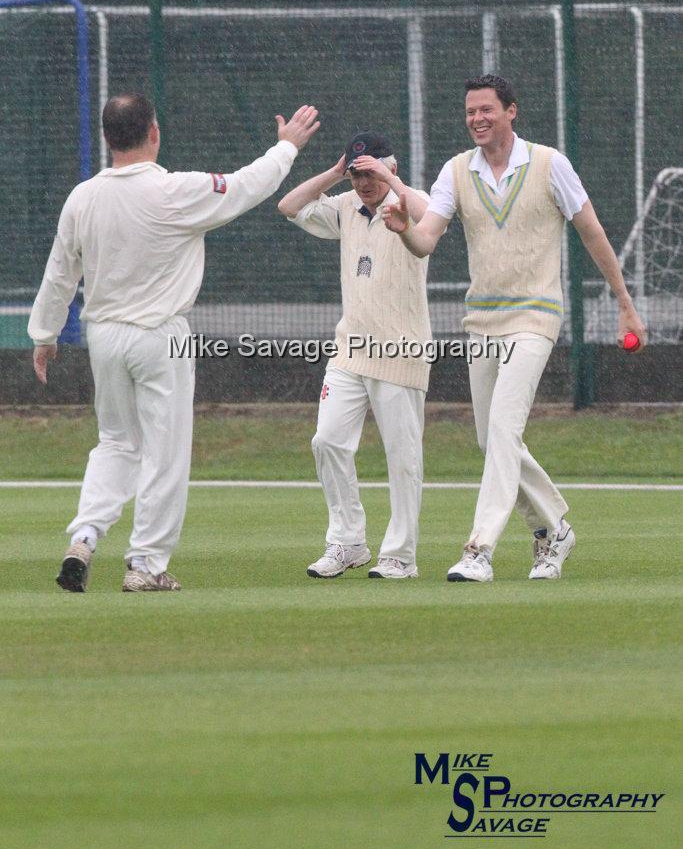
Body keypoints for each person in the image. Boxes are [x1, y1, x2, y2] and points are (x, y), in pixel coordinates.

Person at [29, 94, 319, 592]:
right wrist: (287, 147)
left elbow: (60, 273)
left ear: (106, 137)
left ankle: (84, 535)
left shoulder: (82, 197)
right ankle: (145, 565)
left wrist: (44, 334)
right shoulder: (175, 190)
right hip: (162, 335)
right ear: (154, 133)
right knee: (164, 452)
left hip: (104, 337)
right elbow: (249, 185)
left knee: (115, 443)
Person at [384, 75, 646, 582]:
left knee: (505, 428)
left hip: (535, 316)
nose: (476, 119)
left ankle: (478, 548)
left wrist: (625, 305)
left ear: (511, 112)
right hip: (481, 320)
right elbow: (427, 240)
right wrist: (404, 234)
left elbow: (592, 233)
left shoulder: (551, 165)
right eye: (469, 112)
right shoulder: (456, 171)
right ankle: (554, 528)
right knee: (491, 440)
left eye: (486, 109)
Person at [278, 132, 431, 579]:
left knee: (402, 456)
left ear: (391, 169)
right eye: (357, 174)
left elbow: (429, 217)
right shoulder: (344, 207)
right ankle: (347, 541)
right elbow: (289, 206)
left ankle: (400, 555)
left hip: (401, 351)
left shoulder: (409, 201)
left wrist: (390, 179)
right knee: (326, 441)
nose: (364, 183)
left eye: (372, 173)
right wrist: (334, 172)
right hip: (350, 351)